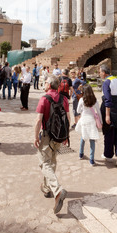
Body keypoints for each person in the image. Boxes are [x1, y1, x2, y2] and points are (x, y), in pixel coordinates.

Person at [34, 75, 70, 214]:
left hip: (47, 135)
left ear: (49, 85)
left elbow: (38, 120)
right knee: (52, 161)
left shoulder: (44, 98)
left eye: (45, 82)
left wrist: (35, 136)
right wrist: (67, 135)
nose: (44, 84)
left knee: (44, 163)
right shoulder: (64, 99)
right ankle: (46, 187)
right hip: (59, 135)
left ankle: (57, 190)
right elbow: (67, 118)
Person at [76, 84, 102, 166]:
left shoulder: (81, 100)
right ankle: (91, 159)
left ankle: (81, 154)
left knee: (83, 137)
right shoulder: (95, 100)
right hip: (91, 121)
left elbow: (78, 110)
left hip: (84, 120)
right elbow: (98, 111)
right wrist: (101, 121)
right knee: (92, 140)